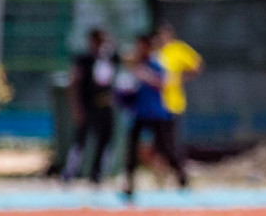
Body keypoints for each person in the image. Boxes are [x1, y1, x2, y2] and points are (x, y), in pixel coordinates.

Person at [122, 32, 188, 200]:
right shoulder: (135, 64)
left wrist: (145, 75)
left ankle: (182, 178)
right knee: (131, 148)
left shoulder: (157, 63)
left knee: (166, 147)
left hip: (157, 113)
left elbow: (164, 83)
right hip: (139, 112)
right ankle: (129, 184)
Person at [63, 28, 119, 185]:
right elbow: (73, 83)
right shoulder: (84, 60)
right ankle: (70, 172)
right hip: (88, 105)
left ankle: (98, 174)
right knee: (80, 140)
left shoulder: (110, 58)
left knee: (106, 139)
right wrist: (75, 106)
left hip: (105, 106)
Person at [154, 22, 203, 146]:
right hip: (155, 102)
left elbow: (197, 66)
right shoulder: (155, 50)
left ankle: (176, 162)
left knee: (172, 137)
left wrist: (181, 79)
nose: (162, 37)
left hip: (173, 101)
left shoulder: (178, 49)